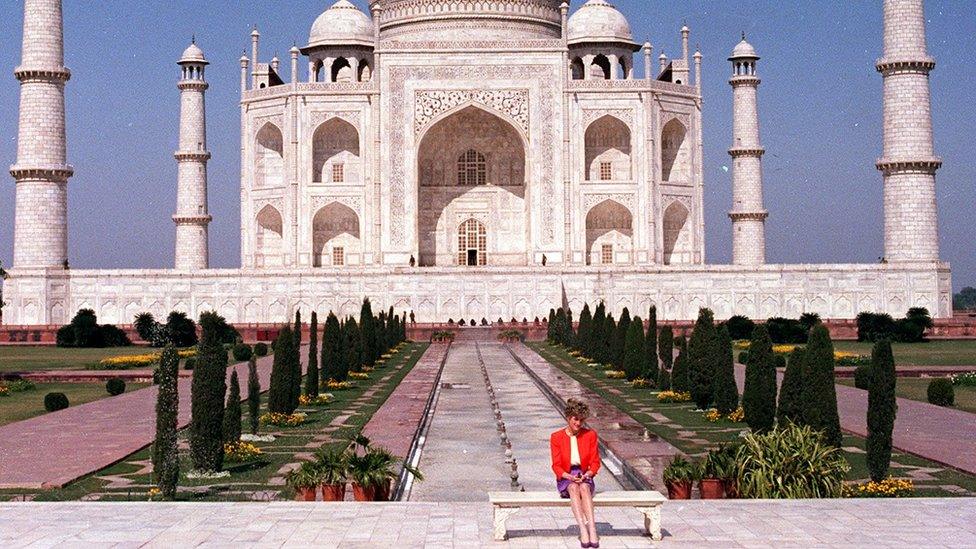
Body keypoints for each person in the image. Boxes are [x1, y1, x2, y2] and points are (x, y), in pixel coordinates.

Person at [550, 399, 601, 548]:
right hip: (566, 476)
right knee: (573, 488)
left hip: (584, 474)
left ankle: (592, 528)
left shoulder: (590, 435)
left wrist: (588, 474)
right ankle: (582, 529)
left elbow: (596, 463)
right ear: (568, 417)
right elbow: (556, 466)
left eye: (582, 420)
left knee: (584, 488)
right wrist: (569, 476)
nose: (578, 423)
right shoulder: (556, 437)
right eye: (575, 419)